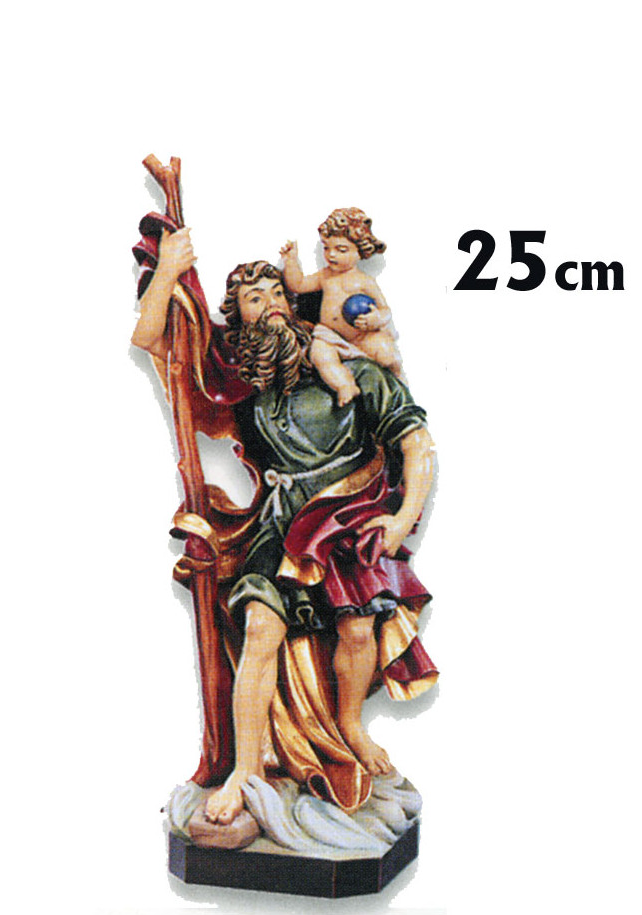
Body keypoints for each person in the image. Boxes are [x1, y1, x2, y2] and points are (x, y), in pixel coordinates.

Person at [132, 226, 436, 826]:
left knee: (356, 632)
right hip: (281, 524)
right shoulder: (243, 385)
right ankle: (244, 771)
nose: (271, 302)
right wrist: (168, 269)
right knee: (260, 626)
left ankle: (349, 725)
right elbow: (150, 338)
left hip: (349, 516)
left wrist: (403, 518)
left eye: (277, 292)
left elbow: (417, 443)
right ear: (240, 319)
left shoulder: (350, 367)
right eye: (254, 298)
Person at [280, 207, 403, 406]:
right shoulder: (325, 276)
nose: (331, 255)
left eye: (341, 250)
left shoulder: (364, 281)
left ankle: (397, 382)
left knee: (387, 355)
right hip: (330, 336)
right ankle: (344, 385)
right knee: (320, 355)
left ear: (360, 251)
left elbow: (385, 310)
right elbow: (298, 285)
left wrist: (376, 319)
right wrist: (291, 262)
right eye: (326, 248)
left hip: (361, 336)